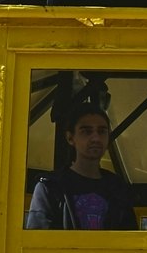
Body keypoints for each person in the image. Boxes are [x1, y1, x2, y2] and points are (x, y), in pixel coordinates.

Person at [29, 91, 134, 229]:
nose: (95, 138)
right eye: (86, 131)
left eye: (102, 131)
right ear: (70, 138)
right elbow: (38, 242)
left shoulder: (118, 189)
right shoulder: (50, 187)